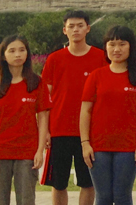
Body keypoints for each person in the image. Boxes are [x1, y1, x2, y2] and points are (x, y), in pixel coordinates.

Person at [81, 26, 136, 205]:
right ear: (106, 47)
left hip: (128, 146)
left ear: (131, 47)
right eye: (112, 44)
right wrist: (85, 143)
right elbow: (85, 111)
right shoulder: (96, 76)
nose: (116, 49)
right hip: (98, 146)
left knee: (122, 196)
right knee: (103, 197)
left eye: (122, 44)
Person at [42, 11, 104, 205]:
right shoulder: (54, 59)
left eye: (80, 25)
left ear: (88, 28)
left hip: (90, 132)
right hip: (59, 129)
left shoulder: (100, 57)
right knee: (58, 183)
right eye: (71, 26)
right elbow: (44, 97)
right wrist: (45, 130)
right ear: (64, 30)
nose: (75, 30)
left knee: (88, 182)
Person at [0, 34, 50, 205]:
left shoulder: (36, 84)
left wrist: (39, 150)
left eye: (22, 50)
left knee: (26, 200)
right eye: (12, 51)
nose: (17, 54)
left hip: (27, 153)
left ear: (27, 53)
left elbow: (43, 119)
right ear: (3, 56)